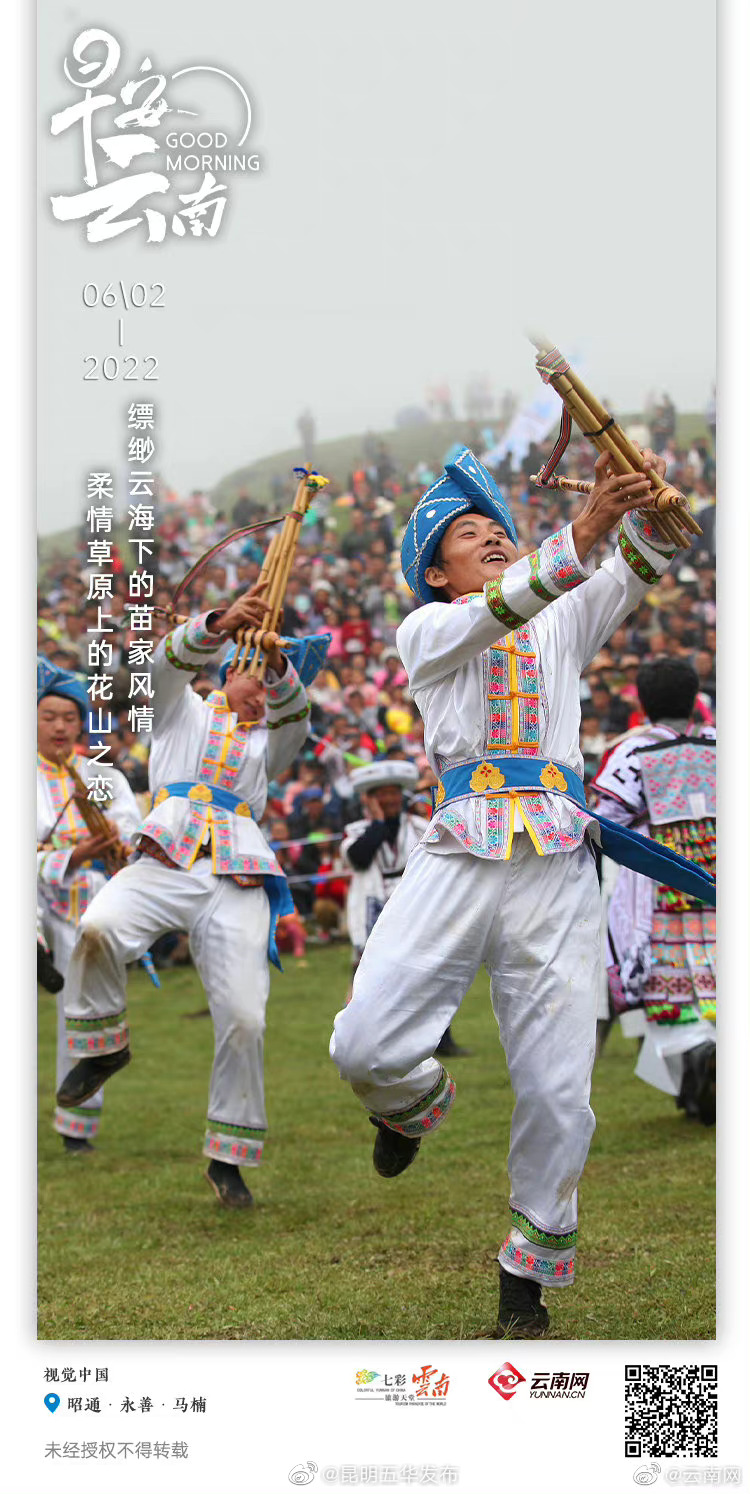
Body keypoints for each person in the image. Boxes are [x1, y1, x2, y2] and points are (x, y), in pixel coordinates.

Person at [329, 444, 714, 1338]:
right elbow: (522, 593)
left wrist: (644, 489)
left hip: (554, 864)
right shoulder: (426, 630)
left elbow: (647, 553)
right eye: (471, 535)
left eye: (500, 529)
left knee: (558, 1087)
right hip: (458, 852)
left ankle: (526, 1272)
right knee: (363, 1046)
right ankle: (409, 1105)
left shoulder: (563, 614)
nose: (493, 540)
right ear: (436, 569)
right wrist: (584, 527)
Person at [57, 587, 310, 1208]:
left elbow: (295, 722)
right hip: (166, 854)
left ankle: (230, 1156)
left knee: (246, 1017)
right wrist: (221, 622)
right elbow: (159, 668)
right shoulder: (181, 711)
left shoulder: (269, 741)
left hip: (238, 873)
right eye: (251, 670)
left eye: (269, 677)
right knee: (98, 928)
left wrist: (281, 668)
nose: (259, 686)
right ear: (225, 671)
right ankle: (105, 1045)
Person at [592, 659, 716, 1122]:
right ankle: (704, 1070)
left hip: (662, 887)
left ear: (643, 703)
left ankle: (697, 1055)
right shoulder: (722, 741)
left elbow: (607, 822)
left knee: (671, 984)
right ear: (694, 696)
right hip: (721, 883)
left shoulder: (633, 753)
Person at [37, 660, 140, 1153]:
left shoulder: (99, 775)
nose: (59, 726)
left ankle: (76, 1126)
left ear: (81, 725)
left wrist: (118, 840)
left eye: (68, 718)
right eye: (48, 717)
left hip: (90, 905)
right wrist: (73, 854)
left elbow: (128, 825)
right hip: (38, 900)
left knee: (79, 1014)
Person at [343, 761, 468, 1057]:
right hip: (375, 907)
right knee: (375, 975)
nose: (389, 800)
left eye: (393, 793)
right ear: (370, 798)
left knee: (429, 969)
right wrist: (376, 822)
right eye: (381, 794)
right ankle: (373, 1040)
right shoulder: (356, 831)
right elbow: (359, 858)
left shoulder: (419, 827)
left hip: (414, 902)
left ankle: (440, 1039)